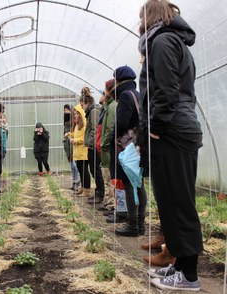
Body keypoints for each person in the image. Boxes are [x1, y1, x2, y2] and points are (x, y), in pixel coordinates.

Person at [138, 0, 203, 291]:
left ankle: (189, 276)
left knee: (178, 204)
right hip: (178, 127)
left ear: (150, 17)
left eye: (141, 17)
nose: (138, 24)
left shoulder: (163, 41)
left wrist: (157, 128)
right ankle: (178, 267)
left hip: (172, 130)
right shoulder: (174, 41)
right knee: (173, 201)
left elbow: (166, 90)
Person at [110, 65, 147, 237]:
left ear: (118, 81)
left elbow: (122, 123)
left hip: (127, 147)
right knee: (138, 183)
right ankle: (140, 225)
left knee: (128, 183)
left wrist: (113, 137)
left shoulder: (125, 95)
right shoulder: (138, 94)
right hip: (138, 144)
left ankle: (133, 226)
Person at [81, 87, 105, 204]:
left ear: (87, 103)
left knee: (96, 170)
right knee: (94, 170)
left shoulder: (94, 112)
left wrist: (93, 144)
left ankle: (100, 194)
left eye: (82, 105)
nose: (82, 108)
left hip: (94, 146)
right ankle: (98, 192)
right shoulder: (90, 112)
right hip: (92, 145)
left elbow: (95, 130)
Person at [97, 80, 117, 212]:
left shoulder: (111, 107)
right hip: (104, 149)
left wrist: (104, 144)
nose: (101, 95)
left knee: (109, 178)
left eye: (103, 92)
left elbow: (109, 129)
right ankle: (109, 202)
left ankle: (112, 205)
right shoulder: (105, 109)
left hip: (107, 149)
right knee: (107, 177)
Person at [66, 106, 90, 197]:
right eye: (74, 113)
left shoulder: (84, 125)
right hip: (78, 153)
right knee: (80, 171)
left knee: (84, 171)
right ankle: (83, 188)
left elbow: (84, 138)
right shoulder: (76, 125)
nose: (75, 115)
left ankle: (87, 190)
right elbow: (75, 135)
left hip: (83, 153)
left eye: (77, 113)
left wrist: (75, 141)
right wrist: (69, 134)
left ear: (81, 114)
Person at [63, 104, 79, 191]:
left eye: (66, 110)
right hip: (68, 146)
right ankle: (74, 182)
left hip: (74, 144)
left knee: (74, 165)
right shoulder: (65, 122)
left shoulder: (74, 121)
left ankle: (76, 182)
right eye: (64, 110)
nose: (65, 112)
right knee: (72, 165)